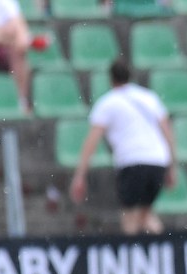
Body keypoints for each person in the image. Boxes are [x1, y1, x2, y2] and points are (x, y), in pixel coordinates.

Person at [69, 59, 177, 235]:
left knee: (130, 217)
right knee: (146, 215)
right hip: (157, 161)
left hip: (132, 161)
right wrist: (172, 166)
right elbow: (167, 133)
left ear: (111, 79)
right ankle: (164, 246)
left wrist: (80, 175)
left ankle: (132, 250)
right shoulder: (149, 97)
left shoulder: (107, 103)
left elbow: (92, 141)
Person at [0, 0, 49, 114]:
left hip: (4, 46)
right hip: (4, 41)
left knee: (18, 51)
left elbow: (20, 31)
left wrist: (18, 38)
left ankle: (21, 101)